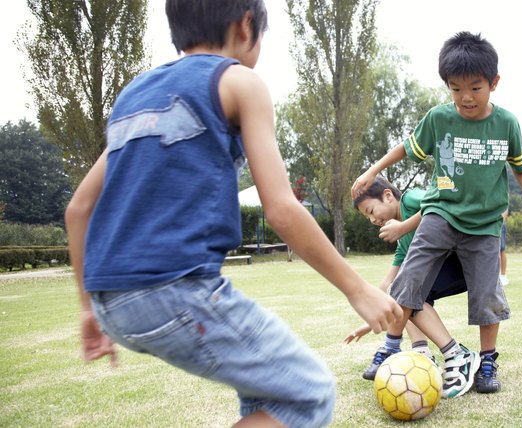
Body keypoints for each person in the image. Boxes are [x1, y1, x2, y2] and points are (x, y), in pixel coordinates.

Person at [64, 2, 401, 427]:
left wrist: (87, 310)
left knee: (267, 388)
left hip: (110, 300)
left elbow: (78, 209)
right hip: (177, 287)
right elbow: (280, 208)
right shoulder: (239, 82)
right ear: (246, 25)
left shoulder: (135, 94)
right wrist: (357, 289)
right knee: (307, 395)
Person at [351, 31, 522, 397]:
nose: (465, 98)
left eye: (475, 88)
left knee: (487, 295)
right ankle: (404, 349)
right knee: (408, 281)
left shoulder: (507, 123)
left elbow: (519, 164)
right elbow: (404, 148)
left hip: (485, 226)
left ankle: (486, 360)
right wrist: (369, 172)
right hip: (440, 214)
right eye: (455, 89)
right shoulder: (439, 119)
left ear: (494, 83)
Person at [345, 176, 511, 387]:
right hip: (452, 273)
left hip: (468, 259)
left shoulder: (410, 199)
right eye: (367, 218)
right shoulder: (402, 245)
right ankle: (433, 352)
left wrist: (404, 225)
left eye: (370, 211)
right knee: (404, 292)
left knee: (411, 292)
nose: (372, 220)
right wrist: (370, 323)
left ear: (388, 196)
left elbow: (440, 204)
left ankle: (483, 359)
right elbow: (388, 286)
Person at [499, 209, 510, 286]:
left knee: (501, 249)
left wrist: (500, 221)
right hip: (487, 226)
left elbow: (505, 208)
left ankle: (503, 276)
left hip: (499, 224)